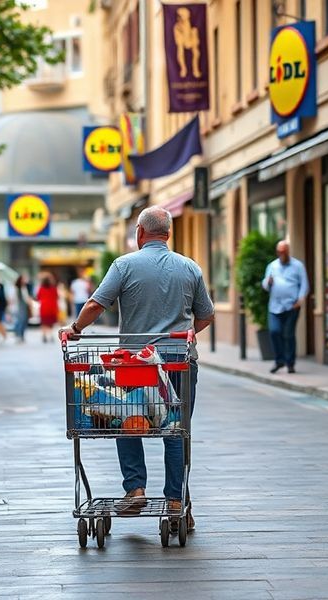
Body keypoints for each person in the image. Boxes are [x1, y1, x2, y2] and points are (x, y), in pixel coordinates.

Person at [59, 206, 214, 531]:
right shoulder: (189, 267)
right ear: (168, 234)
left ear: (139, 234)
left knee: (125, 421)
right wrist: (182, 337)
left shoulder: (124, 265)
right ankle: (176, 502)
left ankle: (135, 490)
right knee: (176, 431)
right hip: (177, 363)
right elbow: (206, 315)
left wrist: (75, 329)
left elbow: (95, 305)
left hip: (135, 367)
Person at [262, 240, 309, 374]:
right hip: (275, 306)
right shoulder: (272, 266)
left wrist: (299, 301)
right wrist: (268, 282)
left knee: (288, 334)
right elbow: (265, 285)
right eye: (280, 251)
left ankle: (290, 363)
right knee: (274, 331)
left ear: (288, 251)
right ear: (277, 252)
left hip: (291, 306)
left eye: (284, 251)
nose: (282, 254)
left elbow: (304, 284)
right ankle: (279, 360)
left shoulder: (298, 266)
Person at [35, 275, 59, 343]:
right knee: (51, 323)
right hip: (52, 307)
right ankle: (51, 335)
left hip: (44, 307)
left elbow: (38, 297)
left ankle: (44, 335)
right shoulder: (53, 288)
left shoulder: (41, 288)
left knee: (44, 323)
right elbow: (57, 297)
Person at [13, 274, 31, 343]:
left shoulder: (25, 287)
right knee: (20, 320)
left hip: (25, 306)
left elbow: (26, 296)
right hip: (20, 306)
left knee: (24, 321)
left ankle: (22, 335)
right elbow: (16, 298)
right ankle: (18, 334)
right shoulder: (18, 288)